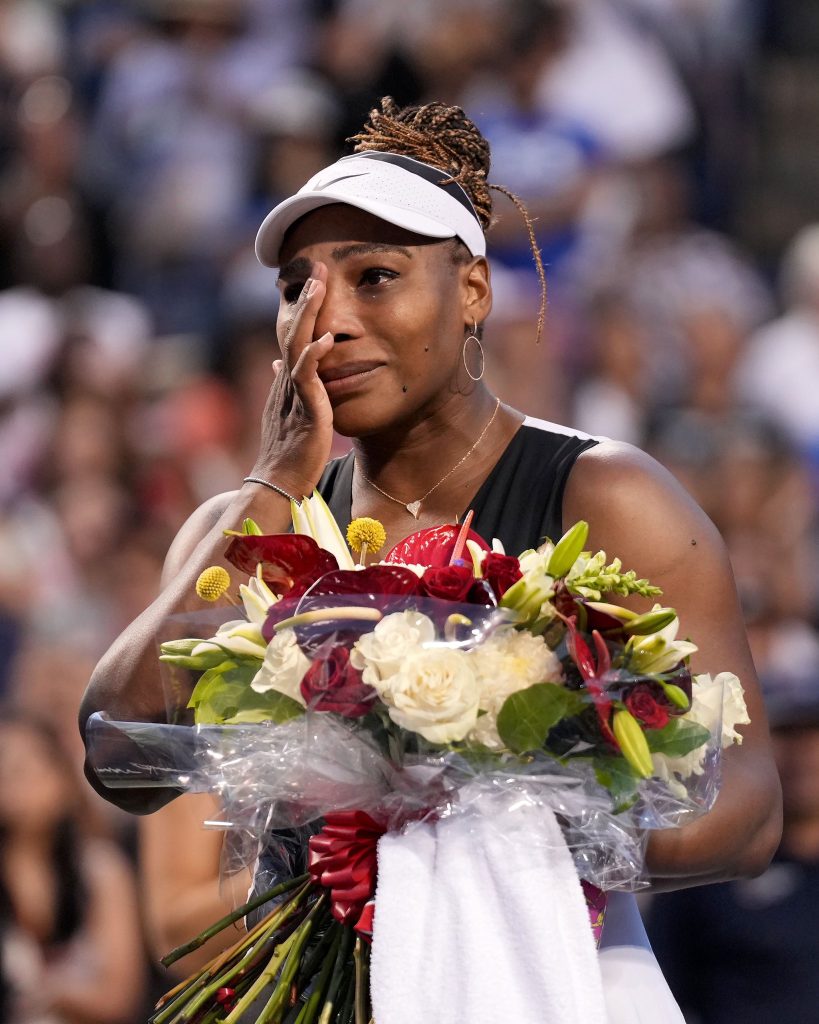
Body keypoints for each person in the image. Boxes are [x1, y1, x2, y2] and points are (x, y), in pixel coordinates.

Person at [79, 97, 781, 1019]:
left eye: (374, 277)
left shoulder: (606, 494)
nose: (323, 321)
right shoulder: (244, 522)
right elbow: (119, 753)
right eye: (296, 288)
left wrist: (489, 827)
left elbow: (746, 806)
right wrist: (273, 482)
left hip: (548, 978)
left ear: (473, 293)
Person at [645, 672, 819, 1023]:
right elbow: (661, 984)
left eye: (815, 738)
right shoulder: (709, 863)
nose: (804, 756)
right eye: (786, 736)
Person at [0, 710, 145, 1023]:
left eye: (26, 769)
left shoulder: (100, 869)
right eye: (6, 772)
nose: (15, 785)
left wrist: (52, 994)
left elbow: (119, 998)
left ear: (62, 776)